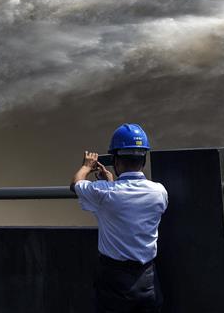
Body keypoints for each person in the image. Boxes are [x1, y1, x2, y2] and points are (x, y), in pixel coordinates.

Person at [70, 123, 169, 313]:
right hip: (148, 279)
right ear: (144, 159)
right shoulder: (159, 191)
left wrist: (86, 166)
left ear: (115, 160)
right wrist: (111, 183)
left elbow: (76, 185)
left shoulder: (104, 194)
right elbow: (128, 199)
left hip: (114, 281)